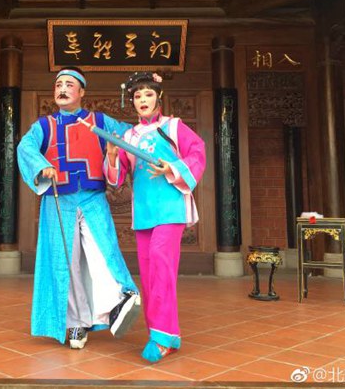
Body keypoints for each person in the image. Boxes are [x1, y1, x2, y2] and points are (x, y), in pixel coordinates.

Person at [17, 66, 140, 350]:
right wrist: (42, 166)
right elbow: (25, 147)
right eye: (58, 84)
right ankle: (76, 323)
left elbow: (132, 137)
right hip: (58, 199)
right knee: (66, 262)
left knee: (102, 250)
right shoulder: (44, 125)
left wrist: (119, 151)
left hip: (93, 197)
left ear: (82, 91)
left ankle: (119, 300)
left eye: (69, 84)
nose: (62, 89)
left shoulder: (99, 121)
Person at [104, 71, 206, 363]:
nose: (143, 100)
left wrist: (172, 167)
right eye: (137, 96)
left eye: (148, 94)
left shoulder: (173, 126)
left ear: (159, 97)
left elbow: (198, 152)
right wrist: (112, 154)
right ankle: (164, 335)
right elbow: (116, 179)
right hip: (144, 212)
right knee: (149, 275)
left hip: (170, 208)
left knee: (162, 267)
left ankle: (161, 338)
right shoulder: (129, 136)